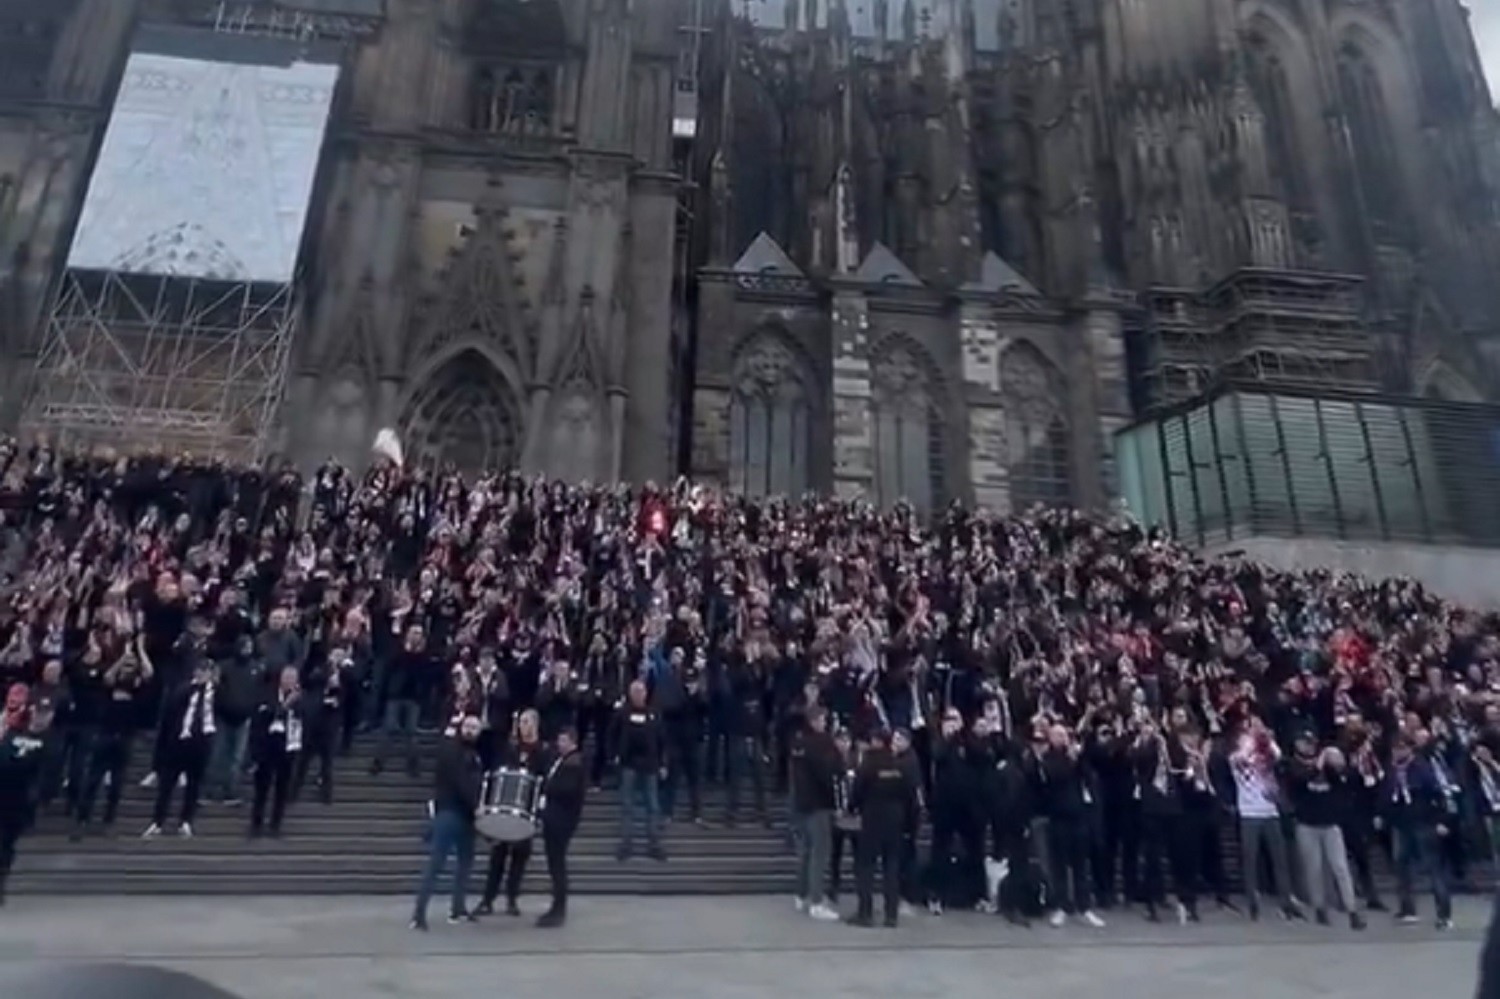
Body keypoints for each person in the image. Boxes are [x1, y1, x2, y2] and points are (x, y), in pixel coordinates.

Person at [411, 714, 483, 931]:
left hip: (465, 815)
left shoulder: (473, 753)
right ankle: (419, 914)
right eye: (468, 726)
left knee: (465, 863)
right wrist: (476, 805)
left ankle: (457, 908)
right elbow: (460, 782)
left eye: (475, 728)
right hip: (451, 812)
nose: (470, 730)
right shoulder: (452, 749)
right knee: (437, 863)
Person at [476, 708, 547, 916]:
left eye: (526, 722)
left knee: (519, 859)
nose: (522, 726)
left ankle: (512, 899)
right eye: (521, 722)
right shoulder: (510, 748)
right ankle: (488, 900)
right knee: (497, 858)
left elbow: (543, 778)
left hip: (526, 810)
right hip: (506, 808)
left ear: (535, 724)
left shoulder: (542, 751)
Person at [847, 727, 918, 928]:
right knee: (891, 867)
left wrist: (852, 808)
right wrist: (909, 822)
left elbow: (858, 790)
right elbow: (910, 794)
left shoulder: (869, 763)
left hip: (872, 817)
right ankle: (891, 914)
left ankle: (865, 912)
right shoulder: (899, 764)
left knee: (866, 866)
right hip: (895, 819)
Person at [144, 658, 215, 839]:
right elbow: (170, 713)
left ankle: (186, 821)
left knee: (193, 786)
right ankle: (157, 821)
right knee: (166, 786)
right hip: (178, 743)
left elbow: (229, 704)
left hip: (200, 745)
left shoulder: (216, 693)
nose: (202, 674)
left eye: (206, 671)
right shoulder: (183, 690)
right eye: (200, 670)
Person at [789, 706, 840, 921]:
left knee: (807, 852)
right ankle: (816, 901)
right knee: (820, 852)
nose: (825, 723)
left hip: (801, 802)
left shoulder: (797, 743)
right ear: (815, 721)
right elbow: (828, 772)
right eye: (822, 719)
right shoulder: (821, 743)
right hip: (819, 803)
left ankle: (801, 895)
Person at [0, 684, 47, 905]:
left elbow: (38, 771)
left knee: (6, 845)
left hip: (16, 801)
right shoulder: (8, 732)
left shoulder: (38, 740)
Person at [611, 679, 666, 862]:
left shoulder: (654, 714)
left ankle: (654, 843)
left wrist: (663, 763)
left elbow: (662, 740)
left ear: (646, 694)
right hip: (628, 764)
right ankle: (626, 843)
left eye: (641, 691)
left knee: (653, 805)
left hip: (650, 764)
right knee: (627, 805)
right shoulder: (622, 713)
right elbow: (611, 735)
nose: (638, 695)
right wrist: (614, 754)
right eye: (634, 692)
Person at [248, 666, 304, 839]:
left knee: (282, 789)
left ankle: (275, 824)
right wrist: (286, 705)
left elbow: (306, 716)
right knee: (261, 789)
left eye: (292, 678)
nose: (289, 681)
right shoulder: (268, 694)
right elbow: (266, 714)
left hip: (288, 747)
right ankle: (256, 824)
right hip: (268, 745)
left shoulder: (301, 699)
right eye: (286, 677)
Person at [537, 726, 585, 927]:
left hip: (561, 820)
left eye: (564, 740)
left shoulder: (574, 763)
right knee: (555, 864)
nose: (560, 744)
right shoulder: (562, 761)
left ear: (573, 742)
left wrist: (547, 789)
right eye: (559, 740)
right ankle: (556, 906)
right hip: (554, 818)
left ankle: (559, 909)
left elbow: (567, 789)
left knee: (557, 865)